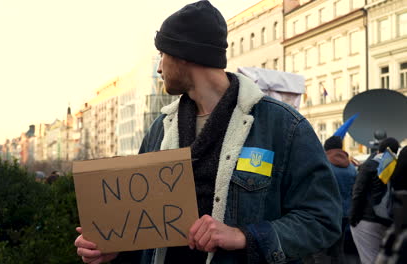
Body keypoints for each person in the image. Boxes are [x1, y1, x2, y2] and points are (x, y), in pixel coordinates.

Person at [75, 1, 342, 263]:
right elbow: (146, 231)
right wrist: (114, 251)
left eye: (163, 55)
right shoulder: (160, 130)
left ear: (184, 55)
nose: (159, 68)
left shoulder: (283, 126)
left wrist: (244, 236)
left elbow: (322, 220)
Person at [304, 136, 357, 264]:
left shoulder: (324, 165)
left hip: (325, 214)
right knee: (338, 251)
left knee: (319, 251)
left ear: (326, 148)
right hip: (345, 214)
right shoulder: (351, 167)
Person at [350, 137, 400, 264]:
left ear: (379, 150)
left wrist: (353, 217)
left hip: (367, 218)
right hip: (389, 219)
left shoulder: (370, 165)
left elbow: (358, 192)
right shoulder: (396, 165)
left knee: (369, 258)